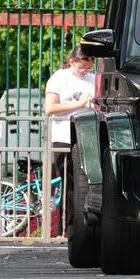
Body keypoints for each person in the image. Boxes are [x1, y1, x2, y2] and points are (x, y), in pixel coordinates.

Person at [44, 46, 95, 233]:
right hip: (64, 137)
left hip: (87, 138)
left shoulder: (92, 79)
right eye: (82, 68)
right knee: (68, 185)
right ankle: (64, 228)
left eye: (88, 68)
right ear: (72, 61)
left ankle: (82, 227)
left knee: (86, 185)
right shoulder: (59, 78)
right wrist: (79, 104)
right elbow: (50, 108)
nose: (85, 72)